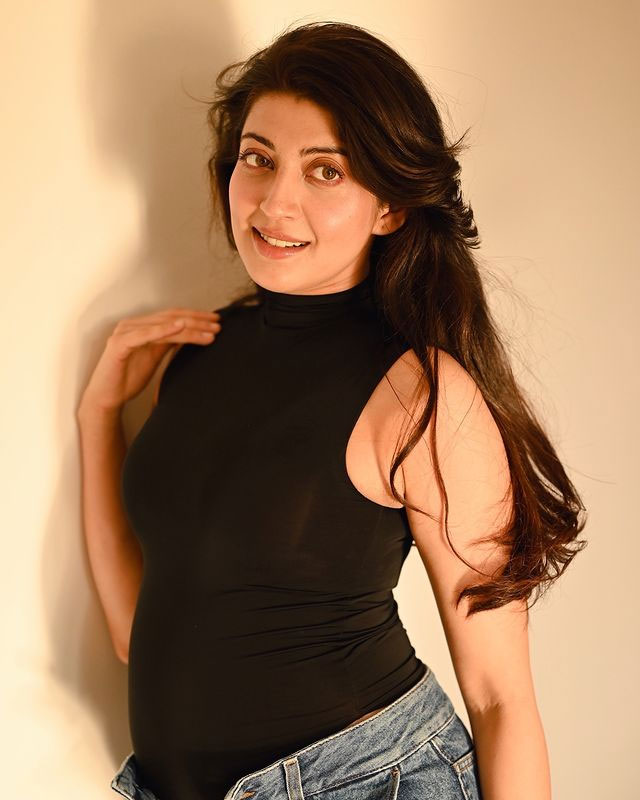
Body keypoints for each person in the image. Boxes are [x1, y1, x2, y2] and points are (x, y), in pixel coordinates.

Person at [77, 20, 587, 800]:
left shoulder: (423, 396)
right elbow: (130, 631)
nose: (275, 202)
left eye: (326, 171)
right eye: (258, 158)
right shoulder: (194, 355)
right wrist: (97, 419)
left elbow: (499, 699)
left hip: (368, 782)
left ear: (391, 208)